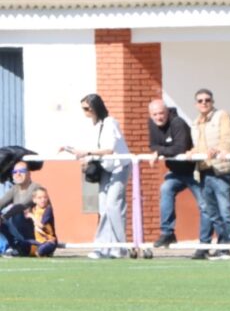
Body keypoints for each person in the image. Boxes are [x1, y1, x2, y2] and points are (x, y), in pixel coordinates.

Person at [61, 93, 131, 259]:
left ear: (95, 107)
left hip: (119, 167)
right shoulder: (92, 126)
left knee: (113, 205)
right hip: (105, 168)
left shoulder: (110, 123)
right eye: (83, 109)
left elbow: (109, 149)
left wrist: (87, 153)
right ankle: (102, 248)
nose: (85, 112)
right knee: (103, 207)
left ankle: (120, 247)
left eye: (87, 108)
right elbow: (87, 148)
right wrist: (68, 149)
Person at [147, 100, 212, 259]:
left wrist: (160, 152)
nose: (159, 117)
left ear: (167, 112)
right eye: (155, 114)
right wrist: (159, 151)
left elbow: (180, 148)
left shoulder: (178, 123)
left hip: (194, 171)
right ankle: (167, 233)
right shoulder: (152, 124)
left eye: (161, 113)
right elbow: (152, 145)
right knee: (166, 189)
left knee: (205, 206)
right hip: (176, 171)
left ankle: (204, 245)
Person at [189, 89, 230, 260]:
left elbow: (228, 137)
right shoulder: (195, 123)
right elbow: (199, 146)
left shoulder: (221, 116)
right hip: (203, 171)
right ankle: (224, 246)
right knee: (213, 213)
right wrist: (192, 152)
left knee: (226, 211)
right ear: (196, 104)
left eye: (207, 100)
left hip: (221, 170)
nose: (204, 103)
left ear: (212, 101)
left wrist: (218, 149)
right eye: (200, 101)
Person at [0, 161, 42, 257]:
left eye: (22, 171)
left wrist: (3, 218)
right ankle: (8, 248)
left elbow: (22, 205)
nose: (18, 174)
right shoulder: (15, 188)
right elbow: (1, 203)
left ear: (29, 173)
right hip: (16, 231)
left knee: (17, 214)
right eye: (15, 172)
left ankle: (20, 247)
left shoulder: (36, 188)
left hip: (31, 234)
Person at [24, 187, 57, 257]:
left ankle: (42, 251)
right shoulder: (32, 209)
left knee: (41, 250)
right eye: (39, 198)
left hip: (48, 241)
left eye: (45, 197)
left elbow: (41, 226)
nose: (43, 200)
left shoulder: (48, 210)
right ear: (34, 200)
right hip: (37, 242)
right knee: (22, 243)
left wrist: (32, 216)